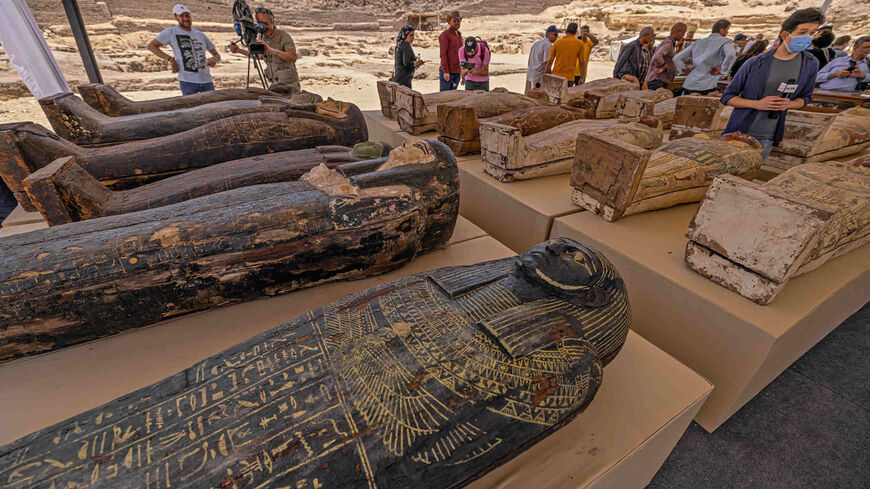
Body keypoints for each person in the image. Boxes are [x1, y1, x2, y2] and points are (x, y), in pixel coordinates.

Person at [722, 8, 825, 161]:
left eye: (812, 33)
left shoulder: (810, 64)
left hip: (767, 135)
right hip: (739, 131)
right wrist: (757, 104)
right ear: (785, 35)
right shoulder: (756, 62)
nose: (807, 37)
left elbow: (805, 98)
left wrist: (788, 104)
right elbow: (727, 97)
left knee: (749, 176)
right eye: (802, 32)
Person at [148, 4, 221, 95]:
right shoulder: (170, 32)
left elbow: (217, 55)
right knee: (190, 108)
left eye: (187, 15)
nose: (186, 19)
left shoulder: (200, 35)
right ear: (175, 17)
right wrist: (171, 59)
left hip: (206, 81)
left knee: (211, 108)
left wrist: (213, 60)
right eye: (181, 16)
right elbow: (151, 46)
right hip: (187, 83)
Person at [228, 7, 300, 94]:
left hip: (290, 86)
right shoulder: (261, 37)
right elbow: (258, 56)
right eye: (259, 24)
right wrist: (238, 50)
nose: (262, 27)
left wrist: (271, 50)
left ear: (272, 22)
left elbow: (292, 57)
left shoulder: (283, 36)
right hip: (275, 85)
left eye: (265, 24)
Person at [673, 19, 736, 95]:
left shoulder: (698, 42)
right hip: (707, 84)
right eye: (727, 30)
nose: (727, 32)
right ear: (722, 30)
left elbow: (676, 58)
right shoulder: (725, 42)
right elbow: (731, 55)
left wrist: (685, 70)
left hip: (690, 83)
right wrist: (722, 70)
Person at [646, 22, 688, 90]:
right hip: (657, 81)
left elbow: (671, 58)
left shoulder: (669, 43)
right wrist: (664, 66)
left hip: (659, 81)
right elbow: (657, 57)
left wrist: (679, 47)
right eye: (683, 33)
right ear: (677, 32)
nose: (683, 36)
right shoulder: (668, 44)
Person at [526, 25, 560, 92]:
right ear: (549, 35)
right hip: (539, 75)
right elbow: (546, 62)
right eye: (555, 35)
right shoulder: (548, 44)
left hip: (530, 73)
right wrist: (550, 76)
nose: (556, 37)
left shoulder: (536, 43)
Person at [439, 11, 463, 91]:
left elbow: (462, 55)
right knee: (444, 98)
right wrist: (446, 71)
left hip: (457, 72)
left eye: (458, 21)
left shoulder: (460, 37)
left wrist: (463, 72)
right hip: (447, 72)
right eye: (454, 21)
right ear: (449, 22)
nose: (457, 23)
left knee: (453, 99)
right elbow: (443, 54)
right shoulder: (445, 35)